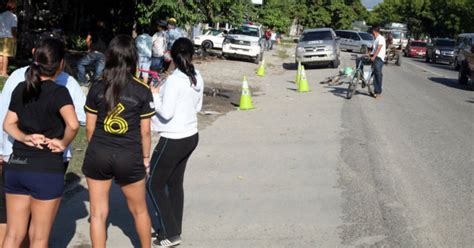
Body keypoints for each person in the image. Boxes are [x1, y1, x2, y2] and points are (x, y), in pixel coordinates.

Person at [0, 33, 86, 247]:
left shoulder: (21, 86)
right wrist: (63, 143)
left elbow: (7, 123)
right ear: (61, 64)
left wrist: (24, 137)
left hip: (17, 166)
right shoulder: (61, 92)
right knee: (39, 238)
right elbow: (74, 124)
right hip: (46, 169)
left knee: (12, 234)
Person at [82, 35, 155, 248]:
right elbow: (146, 132)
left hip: (99, 153)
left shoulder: (97, 87)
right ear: (133, 58)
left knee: (97, 213)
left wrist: (96, 147)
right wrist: (145, 159)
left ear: (109, 57)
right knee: (139, 210)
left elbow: (89, 127)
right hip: (129, 155)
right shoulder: (142, 89)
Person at [147, 38, 203, 247]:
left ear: (171, 55)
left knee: (153, 184)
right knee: (174, 183)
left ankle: (169, 233)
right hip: (191, 135)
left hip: (175, 138)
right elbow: (197, 107)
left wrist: (155, 96)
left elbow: (166, 112)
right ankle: (173, 229)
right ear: (192, 54)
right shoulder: (196, 76)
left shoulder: (174, 80)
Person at [77, 20, 110, 85]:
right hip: (103, 54)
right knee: (99, 71)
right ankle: (95, 85)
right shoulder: (107, 32)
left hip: (93, 52)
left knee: (80, 64)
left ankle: (84, 81)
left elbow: (87, 40)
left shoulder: (92, 31)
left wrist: (89, 48)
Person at [0, 0, 17, 77]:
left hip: (0, 36)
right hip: (8, 37)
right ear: (13, 8)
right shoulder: (13, 16)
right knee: (6, 55)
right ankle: (4, 73)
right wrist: (15, 38)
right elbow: (13, 29)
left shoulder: (1, 15)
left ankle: (0, 71)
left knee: (0, 54)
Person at [370, 26, 386, 99]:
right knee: (359, 60)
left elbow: (379, 48)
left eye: (372, 31)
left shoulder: (381, 38)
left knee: (377, 74)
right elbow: (373, 48)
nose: (372, 33)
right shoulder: (375, 39)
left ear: (374, 31)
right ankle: (361, 79)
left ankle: (378, 92)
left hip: (378, 58)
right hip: (374, 56)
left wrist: (374, 57)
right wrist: (369, 55)